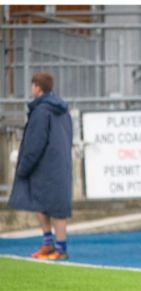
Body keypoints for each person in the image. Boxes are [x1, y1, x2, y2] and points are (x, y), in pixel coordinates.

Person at [8, 72, 73, 260]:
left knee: (48, 205)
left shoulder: (41, 111)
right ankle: (51, 245)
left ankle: (59, 248)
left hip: (43, 165)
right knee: (49, 204)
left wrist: (23, 166)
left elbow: (35, 143)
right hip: (60, 164)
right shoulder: (63, 109)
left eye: (33, 86)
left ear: (37, 87)